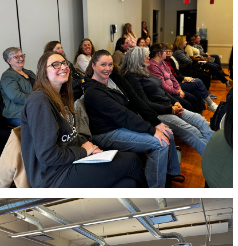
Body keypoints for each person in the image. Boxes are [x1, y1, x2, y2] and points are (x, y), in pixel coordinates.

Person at [19, 51, 146, 188]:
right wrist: (84, 151)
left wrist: (92, 148)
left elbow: (70, 136)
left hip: (69, 164)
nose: (63, 67)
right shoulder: (39, 101)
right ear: (43, 72)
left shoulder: (60, 97)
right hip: (53, 178)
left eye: (64, 63)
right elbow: (48, 156)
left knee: (128, 184)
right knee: (132, 160)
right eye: (55, 64)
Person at [81, 50, 180, 187]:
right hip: (106, 132)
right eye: (103, 65)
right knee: (160, 144)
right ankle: (154, 189)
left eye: (110, 64)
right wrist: (151, 130)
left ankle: (170, 173)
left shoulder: (113, 76)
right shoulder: (93, 92)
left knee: (167, 132)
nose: (108, 68)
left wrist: (156, 122)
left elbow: (135, 99)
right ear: (93, 66)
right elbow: (124, 115)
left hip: (121, 124)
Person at [121, 47, 214, 155]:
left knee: (199, 120)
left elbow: (161, 90)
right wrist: (170, 109)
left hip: (169, 107)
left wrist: (175, 101)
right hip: (156, 113)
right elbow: (144, 104)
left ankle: (219, 148)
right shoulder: (131, 77)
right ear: (138, 59)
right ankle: (213, 158)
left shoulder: (143, 71)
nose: (149, 58)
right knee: (191, 131)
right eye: (146, 57)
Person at [150, 43, 215, 113]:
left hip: (174, 89)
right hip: (167, 93)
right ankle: (200, 115)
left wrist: (179, 89)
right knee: (189, 103)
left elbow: (172, 77)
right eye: (165, 51)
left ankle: (200, 119)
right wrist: (178, 92)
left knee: (196, 94)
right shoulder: (153, 66)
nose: (166, 53)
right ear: (159, 54)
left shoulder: (163, 62)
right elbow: (163, 86)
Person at [0, 47, 36, 128]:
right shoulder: (8, 75)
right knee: (39, 126)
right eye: (16, 57)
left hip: (34, 109)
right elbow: (15, 96)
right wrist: (36, 99)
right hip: (17, 114)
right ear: (9, 61)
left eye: (22, 56)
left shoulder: (29, 73)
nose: (21, 58)